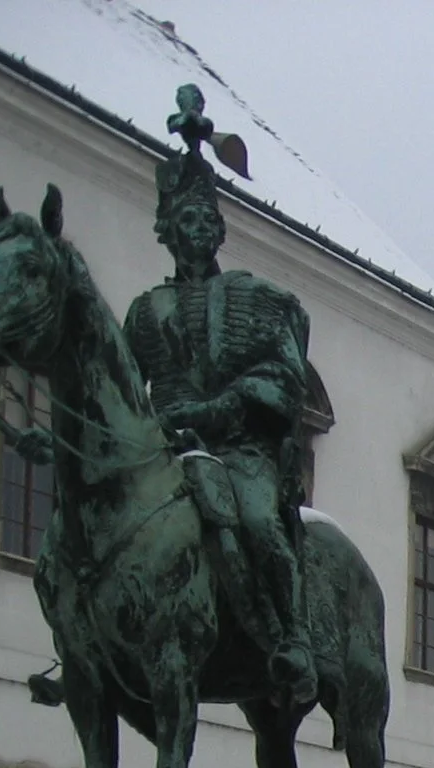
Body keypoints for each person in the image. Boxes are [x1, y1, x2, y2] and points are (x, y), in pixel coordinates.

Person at [122, 85, 317, 708]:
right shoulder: (145, 310)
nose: (199, 229)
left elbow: (286, 376)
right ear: (168, 231)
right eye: (187, 220)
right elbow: (125, 389)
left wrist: (221, 408)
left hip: (238, 450)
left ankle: (291, 638)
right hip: (165, 451)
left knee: (260, 524)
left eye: (208, 220)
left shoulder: (254, 299)